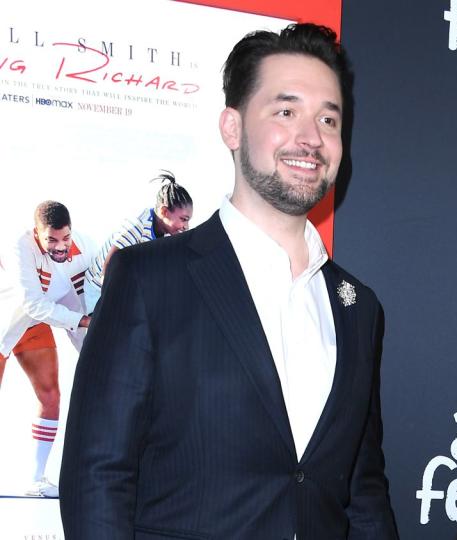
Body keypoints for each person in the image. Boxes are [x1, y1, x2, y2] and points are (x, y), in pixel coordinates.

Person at [60, 23, 398, 539]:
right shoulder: (149, 279)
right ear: (232, 128)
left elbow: (363, 492)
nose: (311, 137)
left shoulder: (359, 308)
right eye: (286, 111)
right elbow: (96, 478)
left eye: (328, 119)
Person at [0, 201, 93, 497]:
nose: (60, 245)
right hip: (9, 320)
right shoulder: (19, 246)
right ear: (37, 233)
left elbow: (79, 303)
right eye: (51, 239)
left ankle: (37, 479)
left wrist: (95, 357)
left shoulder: (83, 249)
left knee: (50, 394)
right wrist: (83, 320)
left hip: (35, 323)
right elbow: (34, 304)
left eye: (65, 238)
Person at [83, 171, 193, 309]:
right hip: (98, 287)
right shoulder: (137, 226)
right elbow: (109, 265)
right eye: (183, 219)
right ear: (164, 212)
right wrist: (111, 301)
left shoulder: (166, 233)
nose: (186, 226)